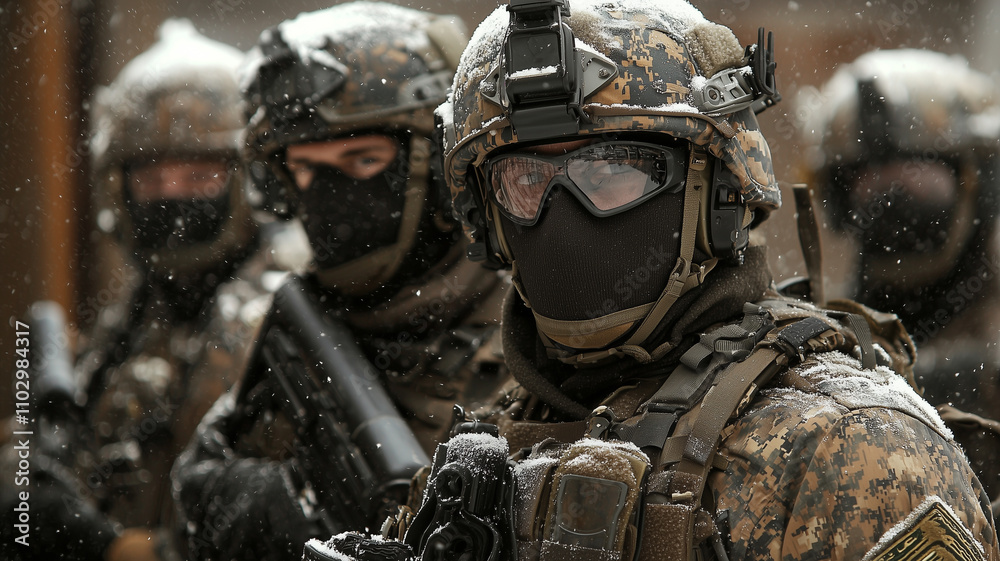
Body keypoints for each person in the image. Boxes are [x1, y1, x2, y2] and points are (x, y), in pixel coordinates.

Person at [316, 2, 999, 560]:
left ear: (712, 194)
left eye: (609, 170)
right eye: (527, 181)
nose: (561, 214)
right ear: (489, 219)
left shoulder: (853, 452)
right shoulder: (484, 447)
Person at [171, 4, 509, 560]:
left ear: (442, 164)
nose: (330, 194)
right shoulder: (276, 332)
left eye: (363, 160)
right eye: (305, 167)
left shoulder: (533, 333)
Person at [0, 19, 273, 561]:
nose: (172, 198)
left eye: (200, 175)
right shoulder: (139, 311)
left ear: (248, 175)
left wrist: (115, 548)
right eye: (151, 178)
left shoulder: (291, 316)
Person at [799, 49, 1000, 516]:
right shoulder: (824, 329)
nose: (889, 194)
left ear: (979, 180)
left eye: (918, 173)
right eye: (866, 177)